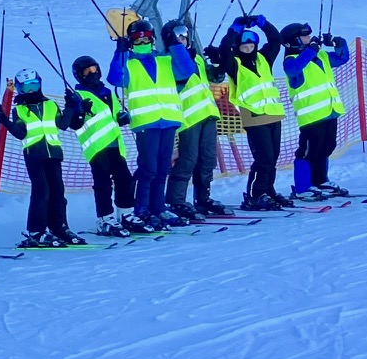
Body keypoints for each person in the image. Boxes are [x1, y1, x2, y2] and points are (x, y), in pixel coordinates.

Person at [110, 20, 189, 229]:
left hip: (168, 120)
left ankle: (158, 207)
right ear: (131, 42)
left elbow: (187, 70)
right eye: (137, 39)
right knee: (149, 168)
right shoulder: (129, 62)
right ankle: (141, 209)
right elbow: (116, 79)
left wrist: (174, 44)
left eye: (146, 38)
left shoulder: (165, 59)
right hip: (146, 122)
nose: (143, 42)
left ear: (153, 39)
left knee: (163, 168)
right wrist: (120, 53)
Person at [212, 18, 290, 209]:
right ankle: (255, 195)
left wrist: (263, 24)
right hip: (254, 117)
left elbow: (276, 40)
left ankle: (268, 190)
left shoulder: (264, 59)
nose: (248, 49)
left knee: (273, 158)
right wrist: (234, 29)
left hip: (273, 114)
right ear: (238, 48)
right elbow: (224, 48)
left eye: (251, 46)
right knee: (264, 159)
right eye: (244, 46)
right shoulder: (235, 64)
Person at [0, 71, 81, 247]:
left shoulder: (50, 105)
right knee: (41, 192)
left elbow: (63, 124)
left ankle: (59, 227)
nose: (31, 91)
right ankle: (36, 231)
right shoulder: (19, 109)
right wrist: (4, 120)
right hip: (35, 155)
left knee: (58, 191)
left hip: (53, 153)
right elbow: (20, 134)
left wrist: (70, 105)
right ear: (20, 89)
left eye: (34, 85)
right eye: (26, 87)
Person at [64, 55, 144, 237]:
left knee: (125, 179)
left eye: (94, 69)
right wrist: (80, 110)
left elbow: (114, 116)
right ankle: (104, 219)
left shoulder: (107, 92)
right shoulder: (78, 96)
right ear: (79, 75)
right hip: (96, 147)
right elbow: (73, 124)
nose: (92, 73)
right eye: (87, 71)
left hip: (115, 145)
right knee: (103, 184)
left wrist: (122, 117)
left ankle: (125, 214)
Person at [162, 19, 231, 219]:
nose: (182, 40)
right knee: (188, 159)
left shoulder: (197, 58)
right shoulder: (168, 60)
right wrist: (182, 55)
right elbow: (180, 78)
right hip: (189, 118)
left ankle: (202, 198)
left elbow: (216, 77)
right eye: (177, 37)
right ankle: (176, 200)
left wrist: (218, 61)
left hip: (207, 114)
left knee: (207, 159)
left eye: (184, 36)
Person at [280, 22, 351, 198]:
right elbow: (294, 69)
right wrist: (311, 49)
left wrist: (339, 43)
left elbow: (341, 58)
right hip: (311, 116)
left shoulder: (320, 55)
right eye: (304, 36)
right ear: (294, 41)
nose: (309, 38)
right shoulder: (290, 60)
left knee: (327, 147)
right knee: (308, 151)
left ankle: (320, 180)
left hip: (329, 110)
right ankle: (303, 187)